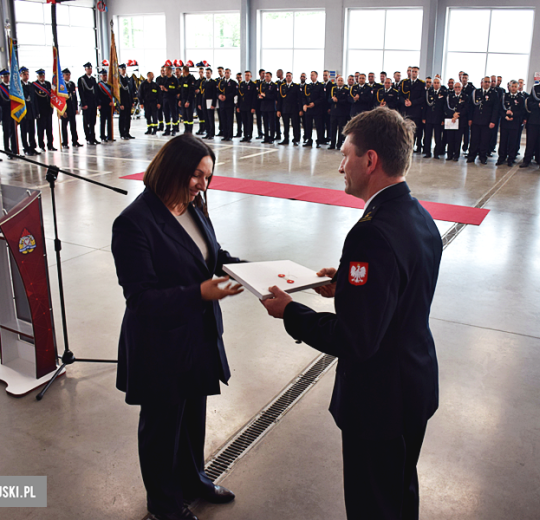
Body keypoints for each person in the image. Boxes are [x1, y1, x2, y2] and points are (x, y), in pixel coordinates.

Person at [263, 107, 441, 520]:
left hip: (379, 402)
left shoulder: (371, 232)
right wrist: (346, 283)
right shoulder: (418, 215)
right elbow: (401, 291)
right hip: (412, 386)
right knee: (399, 493)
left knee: (372, 506)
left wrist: (291, 311)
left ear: (371, 160)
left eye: (345, 155)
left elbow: (356, 340)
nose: (340, 166)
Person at [112, 134, 243, 520]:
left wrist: (254, 272)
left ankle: (192, 479)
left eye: (207, 177)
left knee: (192, 419)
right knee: (162, 429)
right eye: (196, 175)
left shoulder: (192, 207)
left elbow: (213, 256)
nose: (202, 184)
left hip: (197, 338)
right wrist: (198, 293)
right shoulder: (134, 222)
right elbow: (141, 299)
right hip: (160, 344)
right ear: (172, 168)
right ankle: (164, 504)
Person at [467, 76, 499, 165]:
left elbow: (495, 109)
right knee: (474, 139)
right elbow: (471, 107)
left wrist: (493, 121)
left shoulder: (493, 93)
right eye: (485, 82)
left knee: (485, 140)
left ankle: (482, 156)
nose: (487, 83)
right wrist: (470, 119)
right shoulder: (476, 92)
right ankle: (471, 156)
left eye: (489, 82)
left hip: (487, 121)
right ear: (482, 82)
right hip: (476, 120)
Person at [496, 81, 525, 167]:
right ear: (509, 87)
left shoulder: (520, 98)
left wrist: (513, 114)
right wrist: (505, 115)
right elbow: (500, 109)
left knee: (513, 142)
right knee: (503, 141)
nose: (513, 88)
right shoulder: (505, 96)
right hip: (505, 122)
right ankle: (501, 157)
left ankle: (511, 159)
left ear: (518, 87)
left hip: (515, 123)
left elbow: (522, 111)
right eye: (512, 86)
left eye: (515, 87)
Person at [400, 67, 425, 153]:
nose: (413, 73)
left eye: (415, 72)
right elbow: (400, 95)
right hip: (405, 110)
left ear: (418, 73)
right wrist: (404, 101)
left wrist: (412, 102)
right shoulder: (404, 82)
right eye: (412, 71)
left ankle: (416, 146)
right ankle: (406, 146)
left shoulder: (421, 84)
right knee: (405, 130)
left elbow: (422, 98)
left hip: (415, 110)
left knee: (416, 130)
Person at [443, 81, 468, 161]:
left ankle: (456, 155)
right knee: (450, 138)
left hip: (460, 121)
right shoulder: (449, 96)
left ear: (461, 88)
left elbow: (466, 108)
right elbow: (446, 107)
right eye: (456, 87)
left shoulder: (465, 97)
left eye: (459, 87)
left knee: (458, 139)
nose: (457, 89)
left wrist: (458, 115)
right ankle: (449, 154)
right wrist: (453, 115)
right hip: (451, 120)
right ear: (453, 88)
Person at [33, 69, 56, 151]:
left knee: (49, 129)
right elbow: (34, 100)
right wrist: (36, 111)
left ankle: (50, 145)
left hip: (48, 110)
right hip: (40, 111)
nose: (42, 77)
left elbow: (51, 96)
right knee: (41, 130)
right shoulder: (34, 85)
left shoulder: (48, 84)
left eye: (43, 75)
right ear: (37, 76)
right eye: (40, 76)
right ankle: (41, 146)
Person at [0, 69, 17, 156]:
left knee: (14, 132)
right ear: (1, 77)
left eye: (8, 76)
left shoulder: (13, 87)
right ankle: (7, 150)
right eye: (5, 76)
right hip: (5, 113)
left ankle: (15, 149)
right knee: (6, 133)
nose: (7, 78)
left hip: (13, 112)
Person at [422, 77, 444, 158]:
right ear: (432, 84)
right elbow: (425, 105)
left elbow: (443, 107)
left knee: (438, 137)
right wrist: (423, 117)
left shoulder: (443, 93)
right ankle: (427, 152)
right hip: (429, 117)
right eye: (434, 82)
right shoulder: (429, 92)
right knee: (428, 136)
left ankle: (436, 153)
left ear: (440, 84)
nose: (436, 84)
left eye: (437, 83)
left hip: (438, 118)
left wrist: (443, 119)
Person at [19, 67, 39, 156]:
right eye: (24, 74)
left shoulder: (31, 85)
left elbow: (34, 100)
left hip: (31, 111)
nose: (26, 76)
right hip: (23, 112)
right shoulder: (19, 86)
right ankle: (26, 148)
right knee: (24, 131)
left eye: (27, 74)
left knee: (32, 131)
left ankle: (32, 147)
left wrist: (36, 112)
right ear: (20, 75)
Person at [60, 68, 83, 149]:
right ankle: (65, 143)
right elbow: (60, 99)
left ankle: (75, 141)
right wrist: (63, 111)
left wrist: (76, 108)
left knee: (73, 125)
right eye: (66, 75)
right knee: (64, 127)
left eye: (69, 74)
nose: (68, 76)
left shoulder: (72, 84)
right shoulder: (61, 86)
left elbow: (75, 97)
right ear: (63, 76)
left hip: (72, 108)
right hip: (65, 109)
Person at [78, 62, 100, 145]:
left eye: (91, 68)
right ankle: (88, 137)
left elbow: (96, 92)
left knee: (92, 121)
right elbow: (81, 93)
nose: (90, 70)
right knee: (86, 122)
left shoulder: (93, 79)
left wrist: (97, 103)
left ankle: (93, 137)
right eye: (88, 69)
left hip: (93, 104)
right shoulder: (82, 79)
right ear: (85, 69)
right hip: (86, 104)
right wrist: (83, 104)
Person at [303, 71, 326, 148]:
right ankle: (309, 140)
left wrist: (315, 103)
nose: (311, 76)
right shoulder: (308, 86)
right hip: (309, 109)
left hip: (317, 109)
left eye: (312, 75)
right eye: (310, 75)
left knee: (318, 125)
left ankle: (319, 141)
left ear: (316, 76)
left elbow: (322, 98)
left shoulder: (320, 86)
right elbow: (304, 96)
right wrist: (305, 104)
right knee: (308, 125)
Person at [278, 71, 301, 145]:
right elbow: (280, 99)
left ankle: (296, 139)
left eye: (289, 76)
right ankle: (286, 139)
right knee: (285, 125)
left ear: (292, 77)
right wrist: (279, 110)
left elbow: (299, 99)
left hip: (294, 109)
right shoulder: (282, 87)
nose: (288, 77)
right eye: (287, 76)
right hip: (285, 109)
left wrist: (300, 109)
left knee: (295, 125)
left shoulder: (296, 86)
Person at [328, 76, 351, 150]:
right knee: (333, 128)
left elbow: (347, 101)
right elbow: (329, 100)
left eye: (341, 80)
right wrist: (332, 100)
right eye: (339, 80)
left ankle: (339, 144)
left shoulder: (346, 90)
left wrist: (337, 100)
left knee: (341, 129)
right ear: (336, 81)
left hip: (342, 113)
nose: (340, 82)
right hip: (334, 112)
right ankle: (332, 144)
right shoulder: (333, 89)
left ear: (343, 82)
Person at [217, 68, 237, 141]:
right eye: (225, 73)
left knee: (229, 120)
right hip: (222, 104)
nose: (226, 74)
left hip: (229, 104)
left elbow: (234, 93)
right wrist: (219, 96)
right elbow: (217, 91)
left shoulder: (233, 83)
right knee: (223, 120)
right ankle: (225, 135)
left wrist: (226, 97)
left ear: (230, 74)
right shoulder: (221, 82)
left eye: (228, 73)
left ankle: (229, 135)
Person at [96, 69, 115, 142]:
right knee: (103, 121)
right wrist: (106, 103)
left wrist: (111, 102)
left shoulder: (109, 85)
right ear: (100, 76)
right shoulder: (99, 85)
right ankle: (102, 136)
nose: (105, 77)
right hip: (103, 105)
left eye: (105, 75)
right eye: (103, 75)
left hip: (109, 105)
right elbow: (99, 96)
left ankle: (110, 135)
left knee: (110, 121)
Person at [259, 71, 278, 144]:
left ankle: (272, 137)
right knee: (265, 122)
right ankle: (266, 136)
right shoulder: (262, 85)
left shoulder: (274, 85)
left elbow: (275, 96)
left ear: (271, 77)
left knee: (272, 123)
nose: (266, 78)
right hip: (263, 106)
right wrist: (260, 96)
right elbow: (260, 93)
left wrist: (266, 95)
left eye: (267, 76)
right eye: (265, 76)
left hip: (271, 107)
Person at [161, 66, 179, 137]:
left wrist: (167, 90)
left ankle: (174, 129)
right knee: (166, 114)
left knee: (174, 114)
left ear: (169, 71)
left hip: (172, 99)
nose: (164, 72)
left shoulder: (175, 80)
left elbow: (176, 90)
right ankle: (167, 129)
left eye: (165, 70)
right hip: (165, 99)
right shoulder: (164, 79)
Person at [237, 70, 255, 142]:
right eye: (246, 75)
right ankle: (245, 135)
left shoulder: (253, 85)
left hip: (250, 106)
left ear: (250, 76)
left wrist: (253, 107)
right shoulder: (242, 84)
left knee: (249, 121)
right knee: (244, 121)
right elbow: (239, 96)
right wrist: (238, 106)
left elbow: (254, 97)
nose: (247, 76)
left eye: (248, 75)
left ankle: (249, 136)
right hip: (242, 106)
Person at [118, 64, 135, 139]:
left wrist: (132, 101)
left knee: (128, 118)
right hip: (122, 102)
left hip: (128, 102)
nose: (124, 71)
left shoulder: (128, 79)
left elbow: (130, 91)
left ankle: (127, 132)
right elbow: (118, 93)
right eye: (122, 69)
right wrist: (120, 103)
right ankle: (122, 134)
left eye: (124, 69)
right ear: (119, 70)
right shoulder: (118, 80)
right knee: (122, 118)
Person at [201, 67, 217, 140]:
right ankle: (207, 132)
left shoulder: (213, 82)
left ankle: (211, 133)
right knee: (206, 118)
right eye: (206, 73)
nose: (207, 74)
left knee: (210, 118)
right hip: (204, 101)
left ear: (211, 74)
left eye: (208, 73)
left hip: (210, 101)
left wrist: (213, 104)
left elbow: (214, 94)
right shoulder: (204, 82)